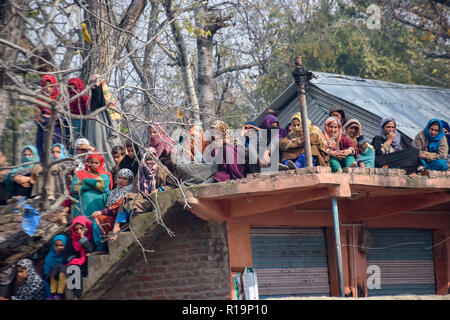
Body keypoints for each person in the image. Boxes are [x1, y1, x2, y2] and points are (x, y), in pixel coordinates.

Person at [84, 74, 121, 171]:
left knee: (109, 159)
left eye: (96, 84)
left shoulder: (109, 100)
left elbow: (114, 120)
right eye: (92, 85)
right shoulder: (89, 102)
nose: (94, 87)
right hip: (92, 135)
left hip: (106, 136)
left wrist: (113, 135)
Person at [91, 168, 134, 237]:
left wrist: (101, 212)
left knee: (97, 219)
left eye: (124, 179)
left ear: (129, 181)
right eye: (119, 177)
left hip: (120, 220)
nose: (121, 180)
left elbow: (117, 206)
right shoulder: (114, 191)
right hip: (111, 216)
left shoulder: (129, 192)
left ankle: (100, 246)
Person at [71, 153, 112, 218]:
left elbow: (102, 187)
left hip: (99, 205)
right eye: (91, 162)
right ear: (87, 162)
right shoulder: (79, 173)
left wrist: (85, 180)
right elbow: (74, 188)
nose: (93, 165)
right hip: (82, 206)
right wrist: (94, 185)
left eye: (96, 163)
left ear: (100, 163)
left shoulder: (105, 174)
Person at [35, 74, 63, 160]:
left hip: (57, 131)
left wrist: (45, 116)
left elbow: (62, 117)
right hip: (42, 131)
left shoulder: (60, 99)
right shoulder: (38, 100)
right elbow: (38, 117)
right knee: (44, 153)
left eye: (51, 86)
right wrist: (49, 118)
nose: (48, 89)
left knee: (56, 152)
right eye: (45, 86)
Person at [43, 235, 67, 300]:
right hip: (50, 283)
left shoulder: (66, 257)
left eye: (61, 245)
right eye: (56, 245)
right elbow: (46, 275)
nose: (58, 247)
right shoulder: (49, 258)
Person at [67, 77, 89, 147]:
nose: (73, 90)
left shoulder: (84, 98)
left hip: (82, 124)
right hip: (70, 124)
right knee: (71, 144)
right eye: (70, 88)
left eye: (75, 88)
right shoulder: (67, 99)